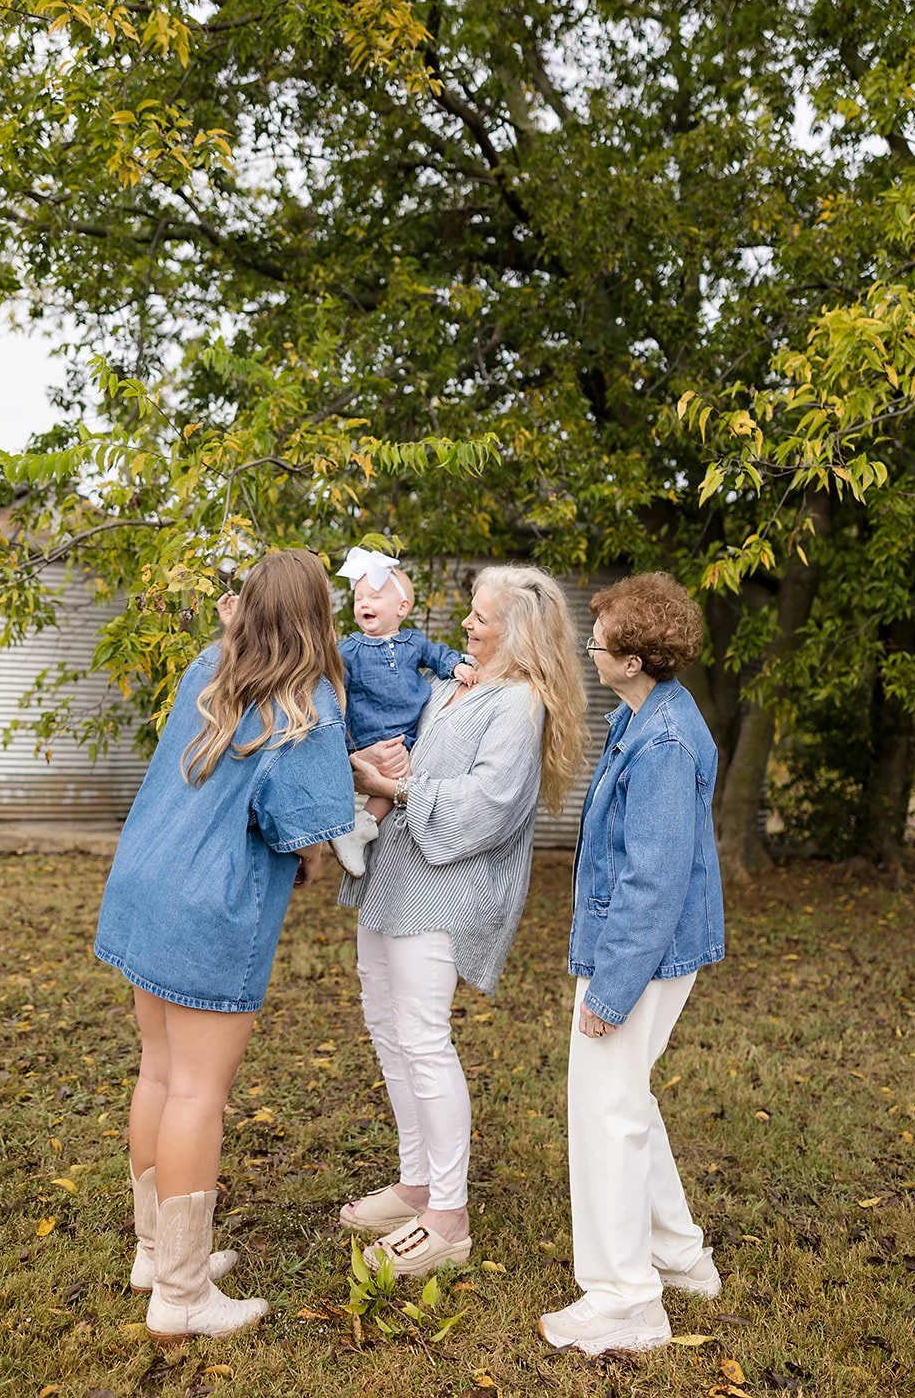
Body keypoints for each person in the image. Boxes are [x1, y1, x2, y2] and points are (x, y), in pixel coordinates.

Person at [94, 549, 355, 1345]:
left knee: (160, 1070)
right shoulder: (310, 703)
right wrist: (363, 781)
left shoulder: (210, 667)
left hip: (147, 881)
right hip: (211, 905)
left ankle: (155, 1255)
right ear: (318, 615)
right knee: (197, 1094)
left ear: (244, 607)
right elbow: (307, 826)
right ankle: (179, 1296)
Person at [337, 565, 586, 1277]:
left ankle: (446, 1217)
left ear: (521, 631)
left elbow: (490, 802)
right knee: (387, 1030)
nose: (468, 626)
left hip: (445, 886)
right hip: (395, 874)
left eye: (482, 617)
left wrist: (392, 785)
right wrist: (375, 760)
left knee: (422, 1037)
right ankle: (414, 1183)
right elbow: (396, 729)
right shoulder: (453, 684)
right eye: (472, 615)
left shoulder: (520, 704)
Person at [539, 571, 726, 1359]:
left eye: (600, 639)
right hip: (638, 947)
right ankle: (678, 1255)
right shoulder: (644, 716)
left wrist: (610, 992)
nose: (591, 648)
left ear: (633, 658)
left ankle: (625, 1300)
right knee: (623, 1098)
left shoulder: (663, 740)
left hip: (639, 954)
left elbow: (652, 880)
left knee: (604, 1114)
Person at [332, 546, 477, 878]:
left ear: (402, 608)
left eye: (374, 597)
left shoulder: (415, 643)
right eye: (359, 599)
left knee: (401, 778)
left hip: (406, 734)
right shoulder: (348, 650)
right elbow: (334, 691)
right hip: (368, 734)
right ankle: (357, 829)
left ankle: (362, 828)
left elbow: (438, 654)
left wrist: (455, 665)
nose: (364, 603)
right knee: (393, 777)